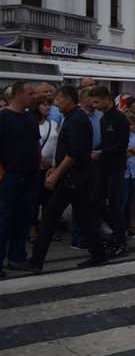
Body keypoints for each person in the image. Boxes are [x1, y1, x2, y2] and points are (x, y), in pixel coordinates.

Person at [29, 85, 108, 270]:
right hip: (74, 177)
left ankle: (36, 261)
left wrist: (56, 174)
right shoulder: (71, 118)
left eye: (58, 100)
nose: (55, 104)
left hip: (74, 178)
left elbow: (74, 153)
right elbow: (67, 150)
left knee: (50, 217)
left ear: (68, 99)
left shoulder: (77, 120)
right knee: (83, 216)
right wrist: (55, 168)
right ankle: (98, 254)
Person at [0, 82, 40, 276]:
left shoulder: (29, 117)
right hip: (10, 176)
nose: (33, 96)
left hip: (30, 175)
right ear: (17, 95)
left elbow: (35, 143)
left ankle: (17, 257)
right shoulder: (3, 118)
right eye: (29, 93)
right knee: (4, 219)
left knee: (23, 218)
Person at [90, 85, 130, 256]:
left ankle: (121, 241)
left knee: (114, 205)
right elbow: (106, 142)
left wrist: (102, 152)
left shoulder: (120, 119)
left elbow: (121, 145)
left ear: (107, 99)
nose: (95, 106)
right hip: (103, 166)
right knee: (96, 200)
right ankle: (115, 231)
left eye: (97, 102)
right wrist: (94, 150)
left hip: (116, 167)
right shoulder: (103, 118)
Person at [32, 96, 59, 242]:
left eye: (48, 104)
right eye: (43, 105)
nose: (47, 107)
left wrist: (54, 164)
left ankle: (47, 230)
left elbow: (57, 144)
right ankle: (33, 230)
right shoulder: (31, 124)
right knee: (34, 201)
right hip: (36, 168)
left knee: (49, 203)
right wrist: (42, 159)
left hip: (51, 168)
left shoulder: (53, 123)